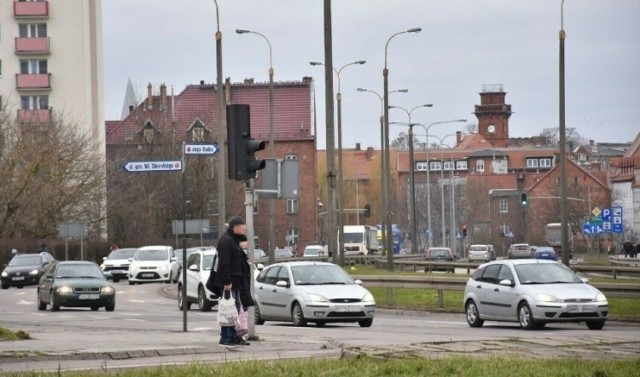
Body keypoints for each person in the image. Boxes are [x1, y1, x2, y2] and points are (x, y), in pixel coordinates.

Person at [214, 216, 251, 347]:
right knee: (228, 309)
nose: (245, 229)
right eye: (242, 226)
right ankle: (226, 337)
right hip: (229, 283)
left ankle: (234, 335)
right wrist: (227, 282)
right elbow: (224, 263)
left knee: (236, 309)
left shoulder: (234, 240)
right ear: (234, 227)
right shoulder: (226, 241)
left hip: (237, 282)